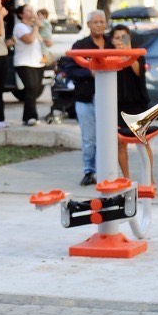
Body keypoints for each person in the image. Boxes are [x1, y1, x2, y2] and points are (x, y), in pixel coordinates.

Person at [63, 11, 110, 186]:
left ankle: (106, 171)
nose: (99, 25)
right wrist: (89, 72)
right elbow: (70, 70)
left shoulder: (112, 44)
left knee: (107, 137)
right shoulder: (80, 45)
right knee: (89, 138)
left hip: (108, 99)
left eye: (102, 22)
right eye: (95, 22)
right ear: (89, 24)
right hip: (85, 97)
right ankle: (89, 171)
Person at [111, 24, 149, 181]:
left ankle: (149, 179)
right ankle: (127, 179)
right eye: (117, 38)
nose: (120, 41)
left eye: (124, 37)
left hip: (137, 104)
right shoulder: (109, 56)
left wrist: (127, 53)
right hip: (118, 104)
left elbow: (137, 70)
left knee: (143, 141)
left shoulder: (137, 55)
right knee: (120, 143)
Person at [13, 4, 45, 126]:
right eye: (28, 10)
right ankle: (30, 117)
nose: (32, 12)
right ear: (21, 14)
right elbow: (30, 40)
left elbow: (42, 41)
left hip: (37, 62)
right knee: (31, 87)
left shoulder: (33, 27)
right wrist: (36, 26)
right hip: (24, 62)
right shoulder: (20, 27)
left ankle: (30, 116)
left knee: (35, 90)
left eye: (32, 10)